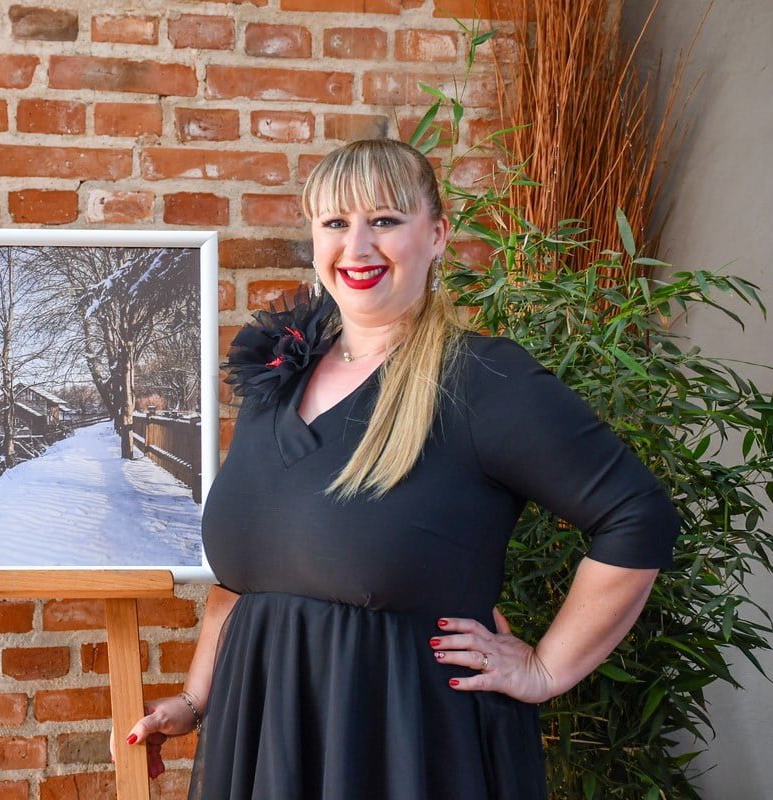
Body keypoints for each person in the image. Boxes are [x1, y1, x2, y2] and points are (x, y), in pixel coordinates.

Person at [119, 138, 680, 798]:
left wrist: (547, 668)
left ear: (437, 234)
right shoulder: (276, 381)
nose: (357, 248)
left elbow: (638, 515)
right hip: (263, 741)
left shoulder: (483, 382)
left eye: (384, 221)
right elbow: (242, 584)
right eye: (335, 223)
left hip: (408, 748)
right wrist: (192, 701)